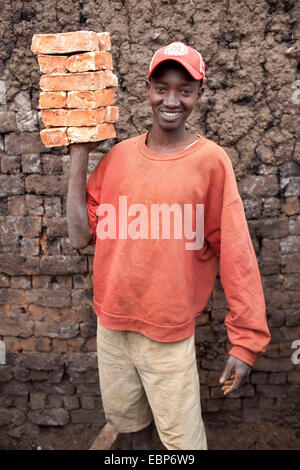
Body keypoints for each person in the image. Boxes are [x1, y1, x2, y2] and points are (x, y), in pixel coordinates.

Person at [66, 42, 271, 450]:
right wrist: (79, 157)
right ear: (147, 89)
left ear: (199, 94)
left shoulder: (211, 163)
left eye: (185, 90)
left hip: (169, 337)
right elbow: (78, 237)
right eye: (162, 88)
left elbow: (236, 255)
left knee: (182, 445)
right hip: (112, 328)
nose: (172, 100)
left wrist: (246, 342)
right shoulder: (119, 157)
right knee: (130, 430)